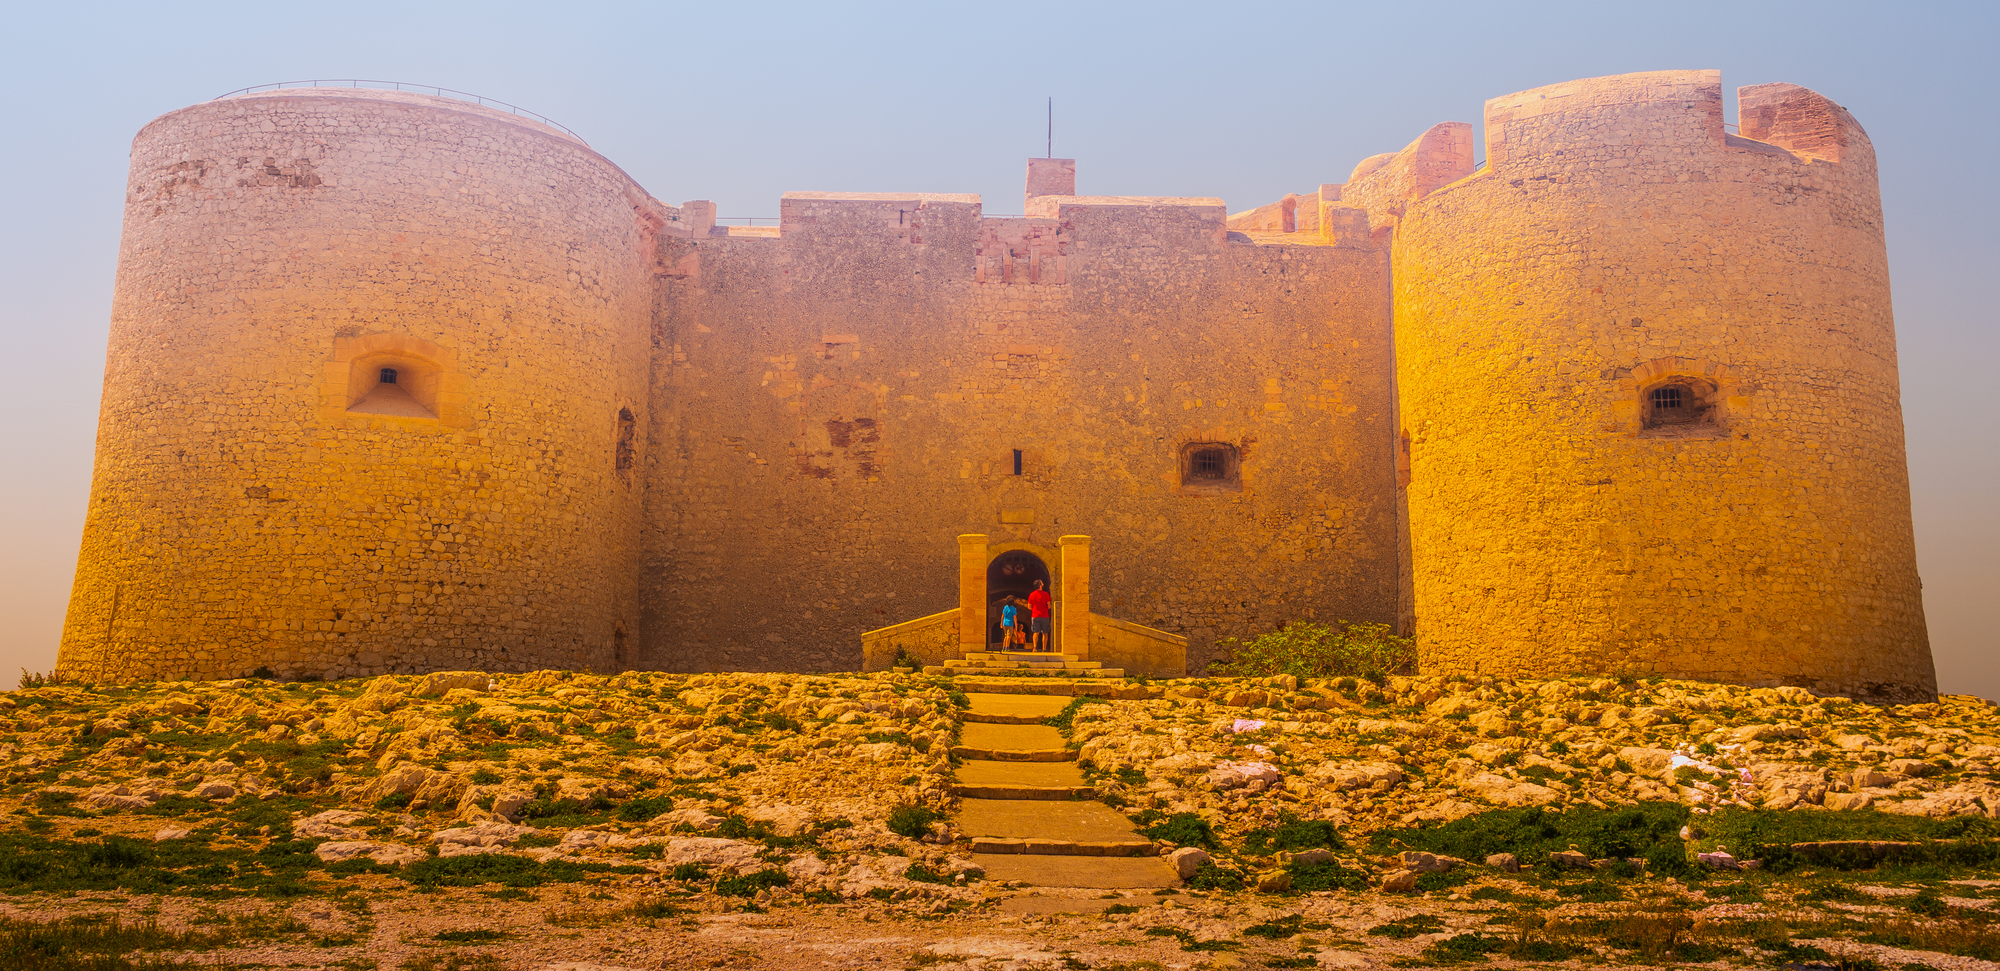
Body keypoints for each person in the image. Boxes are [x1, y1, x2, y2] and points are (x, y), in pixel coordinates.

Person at [1027, 580, 1053, 652]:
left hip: (1035, 615)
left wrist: (1035, 608)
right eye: (1042, 583)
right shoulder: (1046, 594)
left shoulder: (1031, 595)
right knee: (1045, 633)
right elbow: (1049, 606)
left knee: (1036, 632)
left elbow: (1029, 607)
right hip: (1045, 615)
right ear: (1040, 585)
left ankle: (1035, 648)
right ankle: (1044, 649)